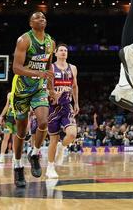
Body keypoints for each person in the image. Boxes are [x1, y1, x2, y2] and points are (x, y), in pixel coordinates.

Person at [9, 11, 55, 188]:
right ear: (30, 23)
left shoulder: (51, 42)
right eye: (37, 17)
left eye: (43, 17)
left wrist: (50, 88)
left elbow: (48, 66)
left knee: (43, 122)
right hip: (21, 90)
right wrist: (38, 73)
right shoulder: (24, 40)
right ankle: (17, 165)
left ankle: (35, 154)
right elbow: (16, 68)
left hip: (39, 89)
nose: (41, 19)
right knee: (20, 132)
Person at [46, 44, 79, 179]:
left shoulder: (73, 68)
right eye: (61, 50)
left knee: (72, 134)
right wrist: (54, 93)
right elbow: (45, 88)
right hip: (52, 107)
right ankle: (50, 167)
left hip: (67, 106)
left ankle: (63, 146)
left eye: (66, 50)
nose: (64, 52)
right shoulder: (51, 67)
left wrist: (76, 102)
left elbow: (75, 86)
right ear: (55, 53)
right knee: (53, 139)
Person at [0, 92, 15, 163]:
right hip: (9, 118)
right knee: (6, 137)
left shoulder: (24, 92)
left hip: (18, 118)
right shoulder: (10, 94)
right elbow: (7, 106)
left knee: (15, 139)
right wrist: (1, 116)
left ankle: (15, 156)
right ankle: (2, 156)